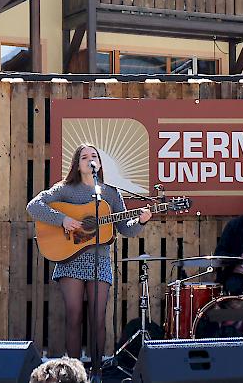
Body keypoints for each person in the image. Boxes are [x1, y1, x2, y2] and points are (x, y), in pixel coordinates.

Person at [27, 143, 151, 362]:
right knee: (74, 315)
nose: (90, 159)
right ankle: (75, 370)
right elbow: (34, 206)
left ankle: (97, 371)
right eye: (84, 156)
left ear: (99, 163)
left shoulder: (111, 193)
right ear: (77, 164)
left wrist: (140, 221)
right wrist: (62, 219)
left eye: (94, 156)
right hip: (69, 259)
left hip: (99, 260)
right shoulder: (65, 189)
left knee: (98, 318)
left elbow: (124, 228)